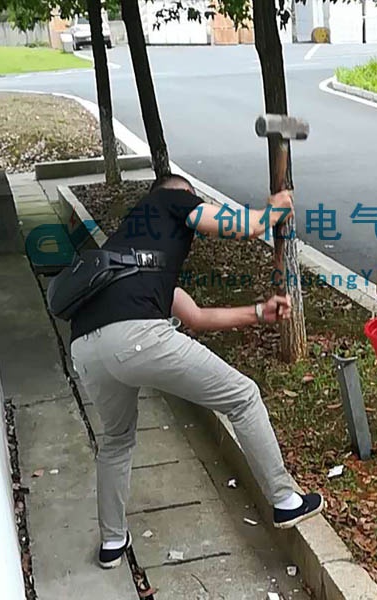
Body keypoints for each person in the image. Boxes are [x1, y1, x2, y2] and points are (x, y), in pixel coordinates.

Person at [69, 174, 323, 569]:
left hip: (85, 349)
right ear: (183, 195)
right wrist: (274, 210)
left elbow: (198, 317)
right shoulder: (170, 199)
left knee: (116, 440)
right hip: (136, 335)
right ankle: (285, 500)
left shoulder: (130, 253)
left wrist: (259, 312)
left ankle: (112, 542)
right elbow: (245, 226)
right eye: (194, 198)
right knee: (243, 396)